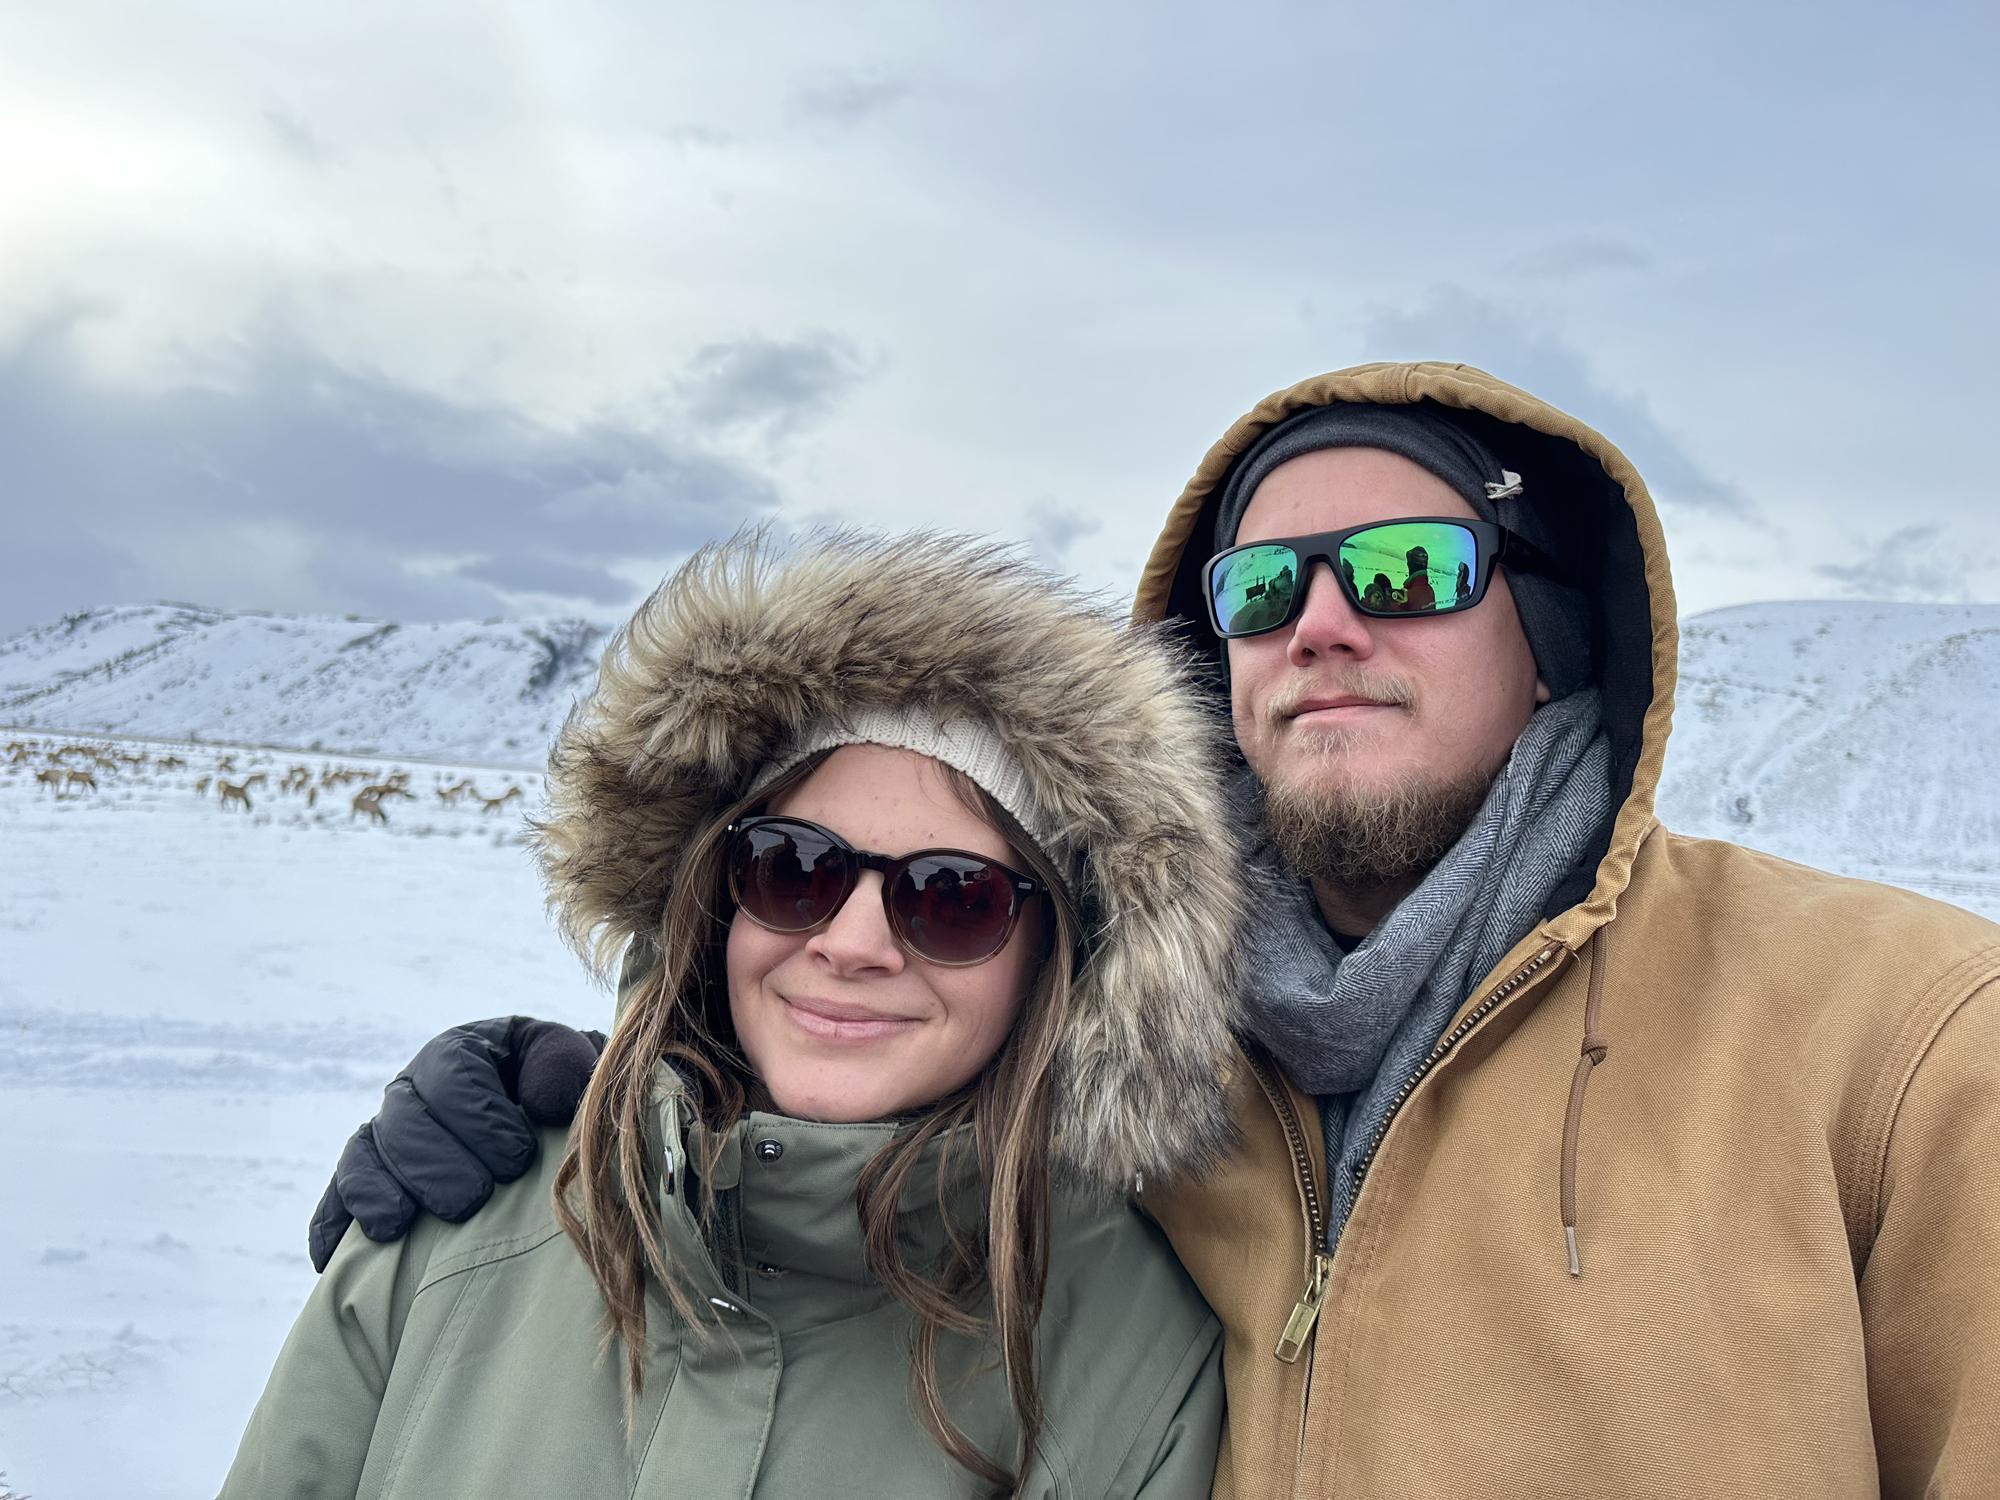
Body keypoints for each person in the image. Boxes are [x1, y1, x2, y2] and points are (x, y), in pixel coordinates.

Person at [312, 364, 2000, 1497]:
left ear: (1551, 636)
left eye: (1409, 569)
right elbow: (865, 1132)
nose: (1325, 621)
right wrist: (616, 1097)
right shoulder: (1122, 1043)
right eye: (1262, 590)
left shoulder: (1904, 1042)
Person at [225, 533, 1240, 1498]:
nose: (851, 943)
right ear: (712, 900)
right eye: (793, 870)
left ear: (1053, 962)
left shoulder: (1129, 1350)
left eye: (951, 899)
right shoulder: (461, 1217)